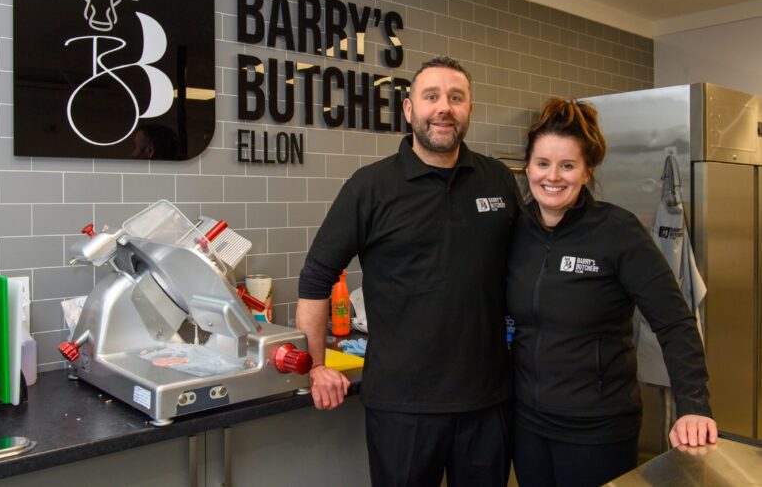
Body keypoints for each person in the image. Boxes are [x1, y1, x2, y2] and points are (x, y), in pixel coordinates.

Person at [296, 56, 521, 486]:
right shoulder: (371, 186)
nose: (444, 108)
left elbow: (526, 268)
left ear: (469, 109)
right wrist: (315, 364)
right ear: (408, 110)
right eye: (431, 96)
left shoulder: (498, 181)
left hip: (488, 400)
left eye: (456, 98)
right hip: (403, 405)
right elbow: (317, 275)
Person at [506, 98, 717, 486]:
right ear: (528, 167)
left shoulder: (617, 231)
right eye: (542, 164)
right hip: (528, 424)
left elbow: (674, 321)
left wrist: (693, 406)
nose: (552, 177)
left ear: (587, 171)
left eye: (567, 165)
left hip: (598, 428)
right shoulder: (514, 230)